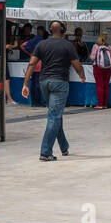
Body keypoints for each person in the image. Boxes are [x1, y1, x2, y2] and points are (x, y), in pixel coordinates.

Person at [21, 20, 84, 161]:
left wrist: (25, 84)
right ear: (63, 31)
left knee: (55, 113)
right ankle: (45, 151)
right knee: (54, 116)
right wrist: (82, 76)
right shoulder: (67, 45)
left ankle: (64, 146)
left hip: (44, 82)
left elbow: (32, 63)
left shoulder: (41, 44)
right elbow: (76, 64)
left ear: (50, 30)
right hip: (60, 82)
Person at [23, 22, 46, 107]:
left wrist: (30, 54)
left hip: (33, 64)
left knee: (33, 84)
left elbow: (22, 46)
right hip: (40, 65)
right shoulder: (42, 41)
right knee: (38, 85)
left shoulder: (32, 40)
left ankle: (34, 102)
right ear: (42, 32)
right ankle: (38, 102)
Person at [90, 32, 111, 109]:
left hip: (98, 68)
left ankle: (100, 104)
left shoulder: (96, 46)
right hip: (108, 68)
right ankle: (105, 104)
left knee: (99, 86)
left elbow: (92, 57)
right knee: (106, 86)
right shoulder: (109, 47)